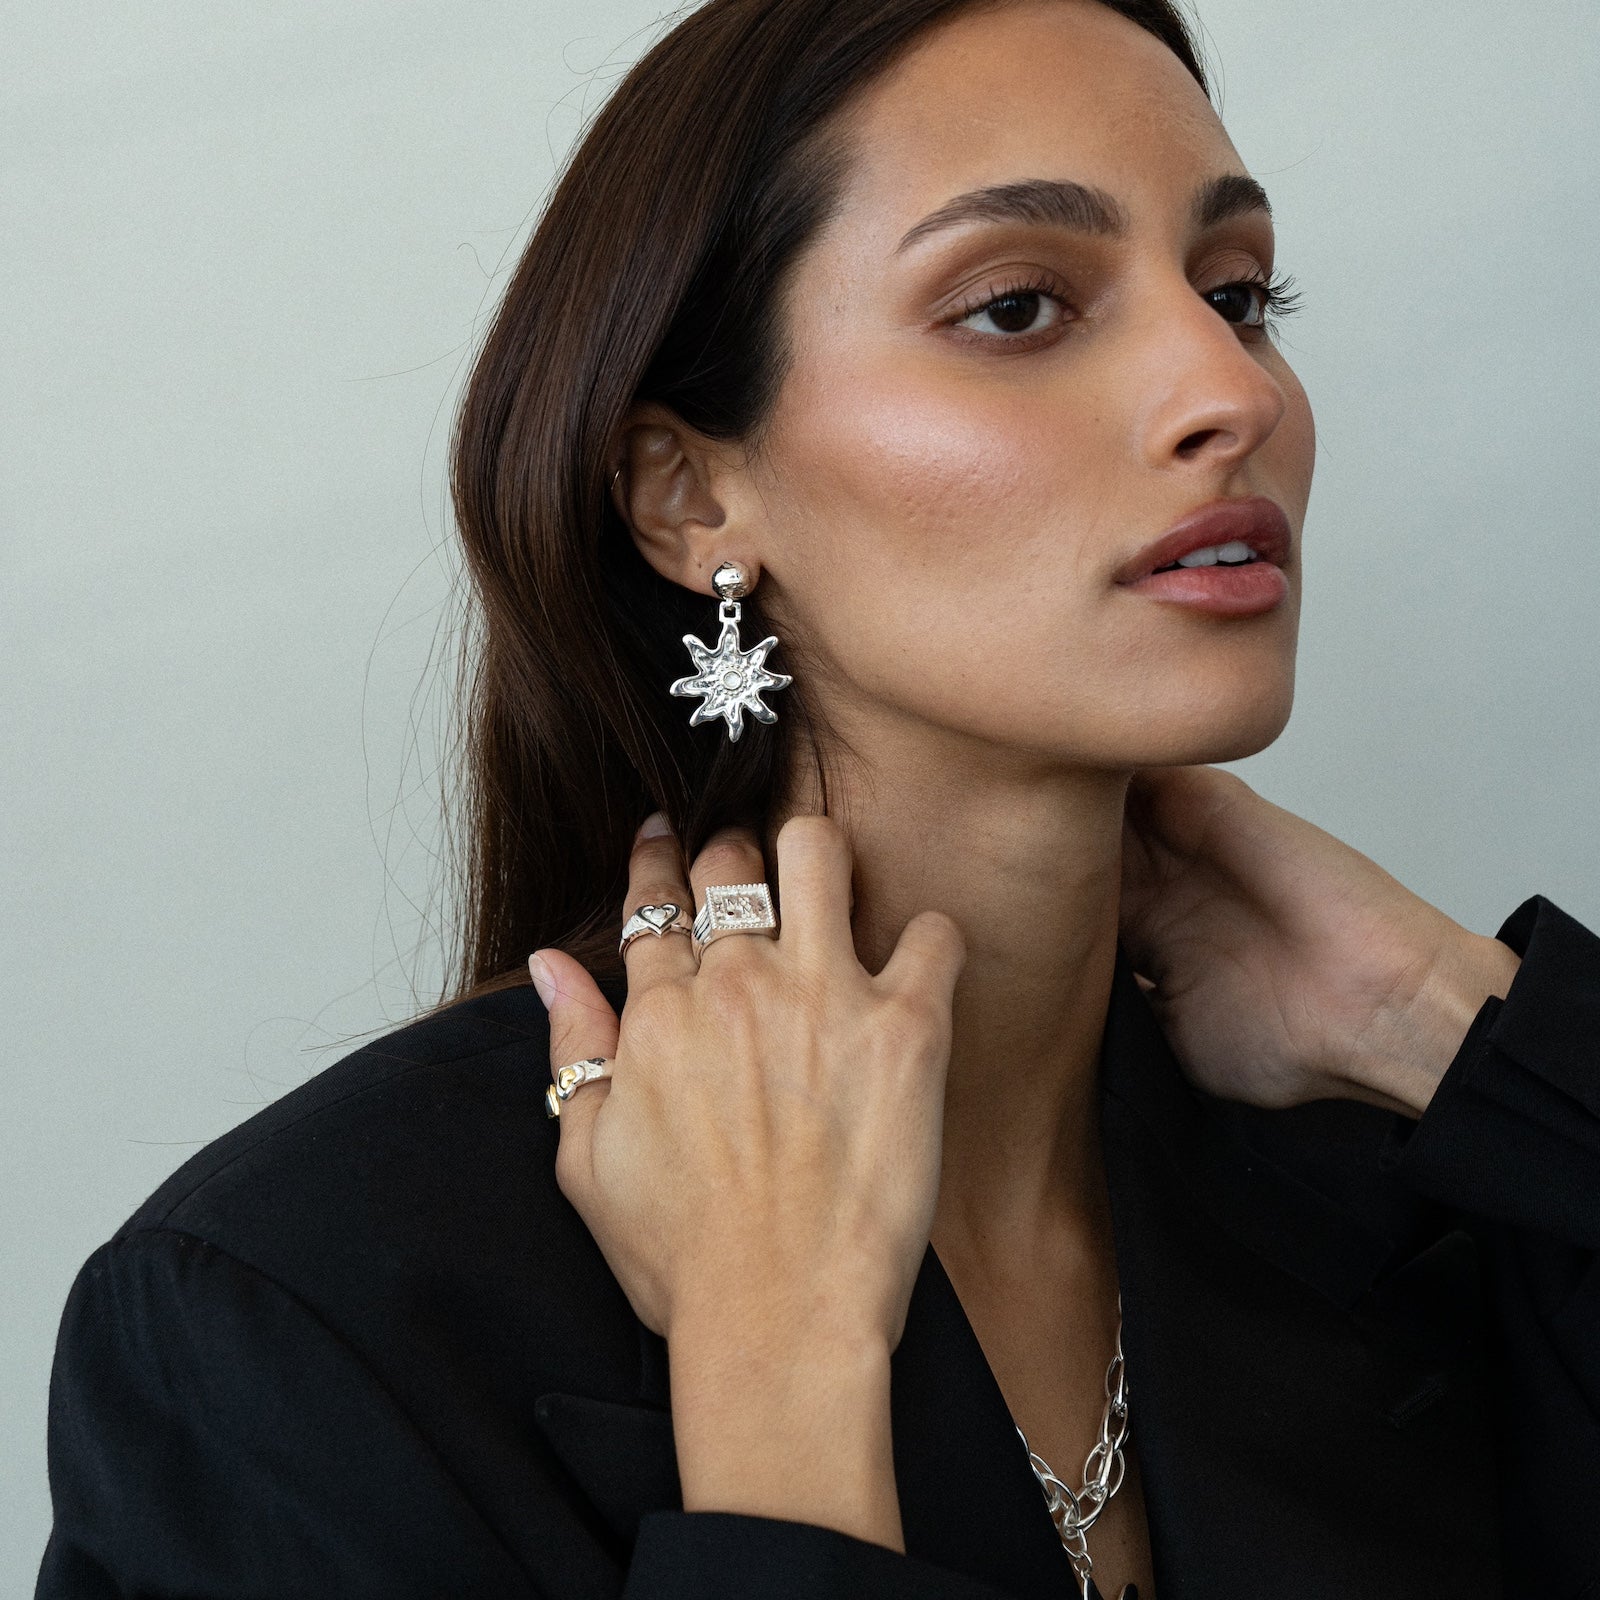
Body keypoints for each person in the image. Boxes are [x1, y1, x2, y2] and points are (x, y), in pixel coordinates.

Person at [33, 0, 1599, 1595]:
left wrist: (1442, 1018)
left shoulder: (1418, 1182)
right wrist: (779, 1383)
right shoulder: (301, 1328)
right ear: (691, 493)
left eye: (1239, 295)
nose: (1232, 390)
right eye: (1016, 308)